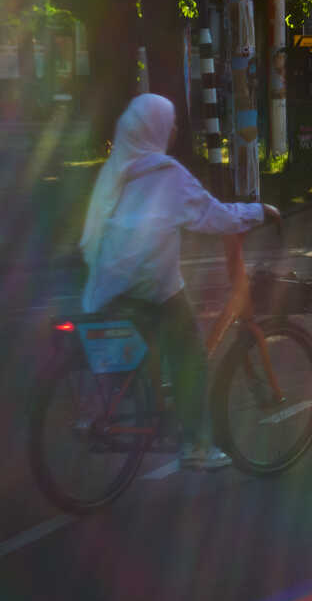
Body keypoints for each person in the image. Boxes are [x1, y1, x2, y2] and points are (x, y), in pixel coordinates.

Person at [79, 93, 279, 470]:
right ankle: (198, 447)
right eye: (167, 122)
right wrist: (260, 211)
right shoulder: (166, 175)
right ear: (155, 129)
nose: (173, 129)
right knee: (190, 356)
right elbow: (214, 216)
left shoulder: (115, 169)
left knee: (144, 353)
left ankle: (134, 411)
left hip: (107, 285)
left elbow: (91, 231)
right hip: (152, 287)